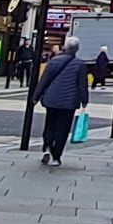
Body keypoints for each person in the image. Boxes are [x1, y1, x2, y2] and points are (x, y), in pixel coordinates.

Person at [33, 37, 89, 167]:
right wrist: (84, 100)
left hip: (51, 99)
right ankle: (56, 156)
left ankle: (47, 146)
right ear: (77, 49)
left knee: (50, 124)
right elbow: (82, 85)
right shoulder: (80, 65)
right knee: (62, 129)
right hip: (69, 102)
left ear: (65, 47)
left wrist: (36, 96)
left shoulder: (53, 61)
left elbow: (44, 80)